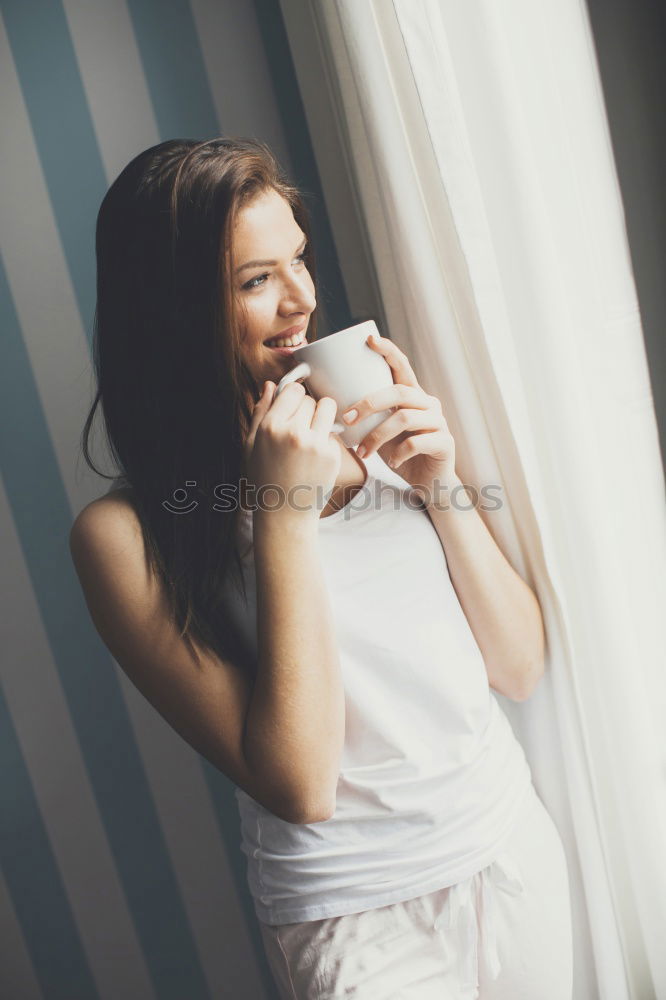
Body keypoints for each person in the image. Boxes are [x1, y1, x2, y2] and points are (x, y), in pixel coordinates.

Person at [70, 137, 573, 998]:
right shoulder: (125, 537)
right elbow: (299, 783)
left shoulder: (368, 415)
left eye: (298, 259)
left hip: (508, 850)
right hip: (355, 915)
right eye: (254, 280)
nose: (301, 299)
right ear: (173, 310)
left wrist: (441, 484)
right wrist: (283, 515)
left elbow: (520, 668)